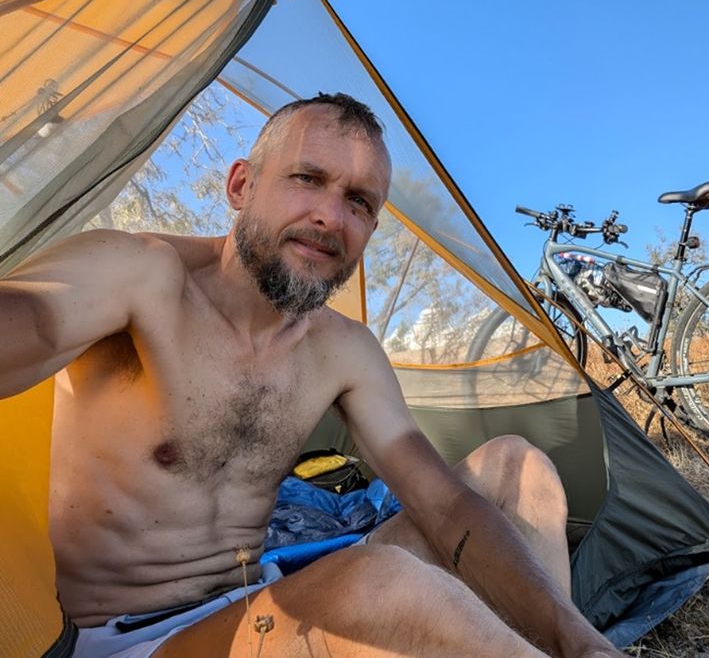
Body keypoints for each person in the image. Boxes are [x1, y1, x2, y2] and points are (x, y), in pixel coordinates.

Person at [0, 93, 624, 658]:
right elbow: (32, 318)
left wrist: (577, 637)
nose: (330, 216)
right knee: (379, 584)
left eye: (359, 201)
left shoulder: (342, 349)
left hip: (262, 600)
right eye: (308, 178)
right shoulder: (138, 276)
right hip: (133, 642)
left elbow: (443, 501)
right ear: (241, 185)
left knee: (517, 469)